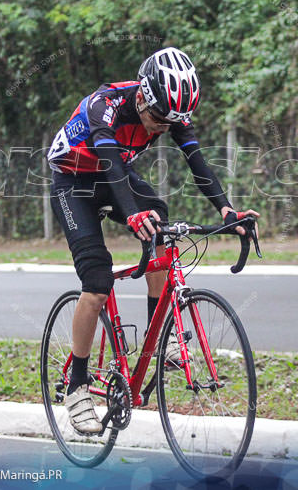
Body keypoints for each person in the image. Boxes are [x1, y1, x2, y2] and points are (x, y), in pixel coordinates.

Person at [46, 47, 259, 434]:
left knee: (160, 221)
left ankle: (156, 340)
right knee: (96, 283)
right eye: (158, 118)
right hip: (73, 182)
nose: (164, 126)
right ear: (142, 95)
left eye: (174, 120)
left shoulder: (169, 111)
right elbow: (110, 164)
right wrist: (131, 214)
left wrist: (227, 211)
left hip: (114, 176)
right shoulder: (105, 105)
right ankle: (77, 387)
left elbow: (198, 163)